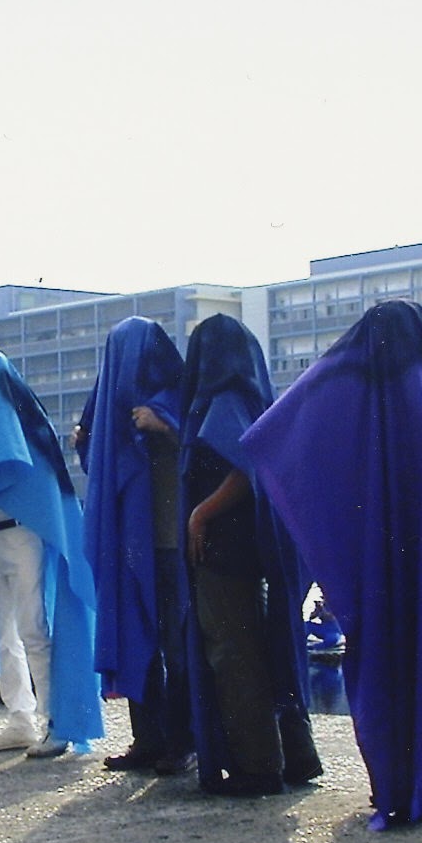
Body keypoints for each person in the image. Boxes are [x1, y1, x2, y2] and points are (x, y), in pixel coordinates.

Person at [241, 300, 422, 830]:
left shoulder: (353, 394)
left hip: (374, 561)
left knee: (384, 667)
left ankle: (397, 786)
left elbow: (281, 436)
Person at [0, 350, 103, 757]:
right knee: (3, 634)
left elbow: (45, 491)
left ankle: (53, 721)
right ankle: (20, 720)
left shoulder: (27, 428)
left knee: (32, 629)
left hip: (22, 537)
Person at [181, 314, 322, 795]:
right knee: (268, 648)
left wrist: (201, 512)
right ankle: (297, 756)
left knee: (233, 652)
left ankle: (258, 766)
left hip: (223, 544)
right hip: (255, 542)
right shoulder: (255, 396)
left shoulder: (222, 400)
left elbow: (245, 468)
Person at [77, 315, 189, 774]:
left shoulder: (179, 395)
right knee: (136, 639)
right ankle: (147, 740)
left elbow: (204, 447)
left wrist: (164, 426)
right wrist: (87, 440)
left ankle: (182, 742)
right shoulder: (111, 405)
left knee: (176, 646)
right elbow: (100, 462)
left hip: (172, 542)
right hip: (132, 544)